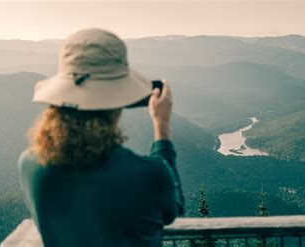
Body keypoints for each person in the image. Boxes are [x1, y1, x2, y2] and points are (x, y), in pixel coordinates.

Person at [18, 28, 185, 247]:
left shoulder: (31, 166)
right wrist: (162, 128)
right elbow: (173, 209)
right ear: (117, 103)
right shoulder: (149, 173)